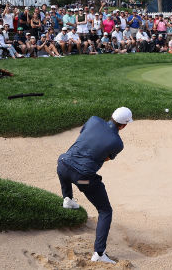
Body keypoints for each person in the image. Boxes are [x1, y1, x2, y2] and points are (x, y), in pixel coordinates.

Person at [57, 107, 133, 264]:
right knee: (105, 210)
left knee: (67, 167)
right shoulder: (117, 143)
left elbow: (82, 136)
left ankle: (67, 199)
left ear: (111, 115)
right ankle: (99, 253)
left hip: (62, 167)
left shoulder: (93, 119)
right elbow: (105, 158)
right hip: (83, 180)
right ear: (124, 125)